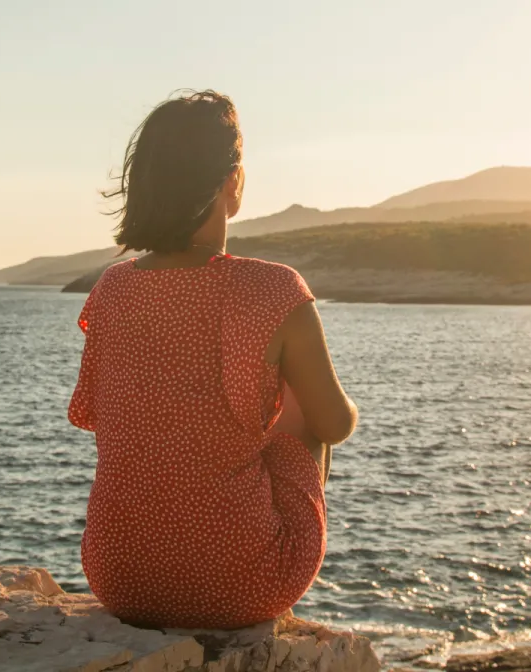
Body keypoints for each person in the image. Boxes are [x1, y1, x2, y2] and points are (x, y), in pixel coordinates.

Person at [68, 90, 358, 630]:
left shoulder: (111, 289)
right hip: (244, 586)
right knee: (301, 417)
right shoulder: (273, 288)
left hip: (119, 581)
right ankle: (268, 591)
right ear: (234, 183)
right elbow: (333, 425)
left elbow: (103, 418)